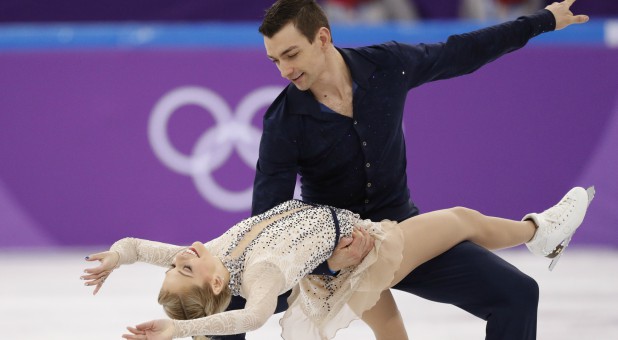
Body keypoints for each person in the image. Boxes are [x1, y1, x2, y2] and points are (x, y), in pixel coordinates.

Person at [240, 0, 590, 339]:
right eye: (275, 61)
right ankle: (540, 231)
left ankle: (539, 232)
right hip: (341, 253)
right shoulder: (283, 124)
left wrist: (541, 21)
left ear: (322, 38)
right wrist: (323, 263)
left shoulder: (386, 66)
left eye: (291, 55)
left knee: (517, 293)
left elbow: (462, 51)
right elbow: (267, 221)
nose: (284, 71)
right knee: (229, 299)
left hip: (405, 232)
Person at [82, 186, 594, 339]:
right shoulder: (260, 274)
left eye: (177, 261)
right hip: (364, 253)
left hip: (336, 273)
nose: (183, 253)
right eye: (186, 266)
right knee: (460, 218)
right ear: (216, 281)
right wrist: (179, 333)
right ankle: (539, 232)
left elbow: (138, 246)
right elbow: (253, 317)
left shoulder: (211, 255)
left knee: (392, 334)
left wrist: (115, 258)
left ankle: (540, 236)